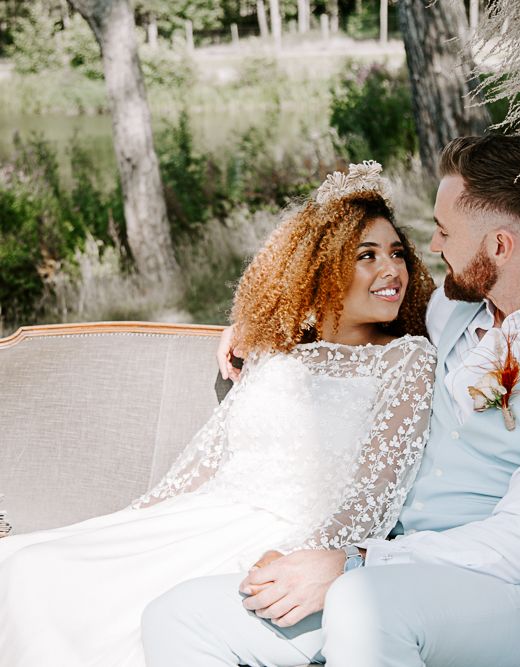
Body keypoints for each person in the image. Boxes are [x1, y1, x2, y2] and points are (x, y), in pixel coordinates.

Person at [142, 133, 520, 667]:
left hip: (518, 594)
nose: (434, 247)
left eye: (445, 232)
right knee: (178, 613)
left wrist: (355, 561)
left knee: (362, 603)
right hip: (390, 576)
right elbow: (354, 304)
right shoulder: (452, 306)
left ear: (498, 246)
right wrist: (260, 323)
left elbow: (517, 544)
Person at [0, 162, 437, 667]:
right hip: (199, 517)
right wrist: (124, 525)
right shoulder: (278, 352)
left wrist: (317, 560)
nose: (392, 271)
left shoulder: (405, 360)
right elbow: (199, 467)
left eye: (397, 254)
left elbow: (374, 495)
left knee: (94, 604)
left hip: (276, 540)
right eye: (367, 256)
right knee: (24, 562)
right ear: (323, 268)